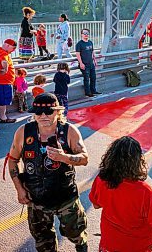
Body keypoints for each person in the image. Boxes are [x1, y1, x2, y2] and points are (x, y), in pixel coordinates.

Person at [5, 93, 89, 252]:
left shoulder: (69, 131)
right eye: (38, 112)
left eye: (49, 112)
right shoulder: (23, 132)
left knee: (76, 233)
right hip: (37, 199)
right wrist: (19, 189)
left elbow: (84, 158)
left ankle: (82, 247)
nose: (43, 116)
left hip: (66, 198)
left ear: (58, 112)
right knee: (43, 241)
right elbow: (12, 159)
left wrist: (64, 157)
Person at [89, 136, 152, 252]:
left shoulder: (101, 179)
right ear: (138, 161)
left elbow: (96, 205)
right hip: (138, 247)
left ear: (110, 157)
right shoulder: (146, 191)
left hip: (109, 244)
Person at [0, 39, 18, 123]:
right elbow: (4, 61)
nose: (13, 51)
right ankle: (3, 118)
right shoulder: (3, 53)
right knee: (2, 101)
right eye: (13, 48)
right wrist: (5, 69)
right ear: (8, 46)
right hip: (2, 82)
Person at [75, 28, 101, 97]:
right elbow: (78, 54)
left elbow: (92, 52)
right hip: (84, 64)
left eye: (87, 33)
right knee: (86, 78)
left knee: (93, 77)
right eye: (84, 33)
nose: (86, 35)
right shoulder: (79, 44)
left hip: (91, 63)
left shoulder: (90, 42)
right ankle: (88, 92)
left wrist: (95, 61)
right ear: (81, 35)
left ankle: (93, 90)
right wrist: (81, 63)